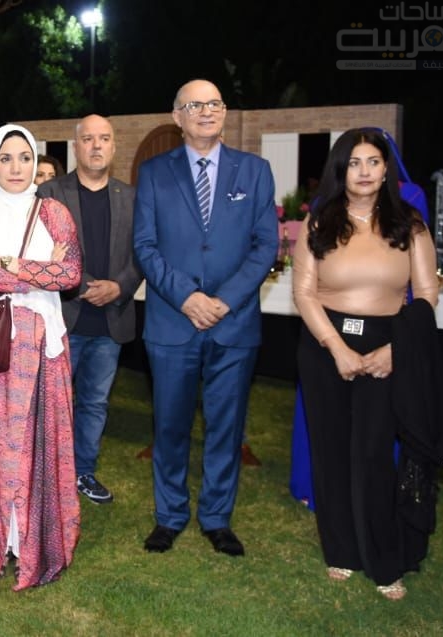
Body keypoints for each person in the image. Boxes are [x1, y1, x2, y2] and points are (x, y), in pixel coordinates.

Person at [291, 128, 442, 600]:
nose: (364, 171)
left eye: (373, 162)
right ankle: (341, 551)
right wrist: (337, 348)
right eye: (354, 163)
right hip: (324, 345)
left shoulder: (410, 225)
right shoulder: (319, 222)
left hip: (388, 348)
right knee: (331, 451)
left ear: (385, 169)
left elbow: (427, 294)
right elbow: (304, 293)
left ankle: (382, 558)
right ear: (341, 170)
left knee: (374, 454)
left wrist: (396, 351)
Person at [133, 79, 278, 557]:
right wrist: (188, 298)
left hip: (233, 323)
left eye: (214, 103)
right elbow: (145, 247)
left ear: (225, 112)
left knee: (226, 427)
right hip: (173, 323)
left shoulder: (254, 171)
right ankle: (170, 515)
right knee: (170, 426)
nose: (206, 111)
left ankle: (217, 518)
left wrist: (225, 300)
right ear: (177, 116)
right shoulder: (154, 173)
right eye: (195, 105)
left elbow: (266, 246)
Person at [0, 124, 82, 590]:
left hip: (43, 344)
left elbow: (71, 274)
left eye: (24, 157)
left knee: (33, 440)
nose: (16, 167)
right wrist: (38, 271)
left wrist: (8, 264)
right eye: (5, 158)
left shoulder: (54, 212)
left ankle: (32, 543)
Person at [37, 114, 141, 505]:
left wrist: (120, 287)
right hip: (62, 317)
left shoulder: (131, 197)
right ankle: (47, 475)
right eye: (88, 139)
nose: (96, 146)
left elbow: (143, 253)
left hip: (111, 321)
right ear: (75, 146)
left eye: (104, 139)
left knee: (95, 404)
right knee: (52, 403)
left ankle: (83, 472)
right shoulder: (49, 193)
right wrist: (79, 284)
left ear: (113, 146)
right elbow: (37, 249)